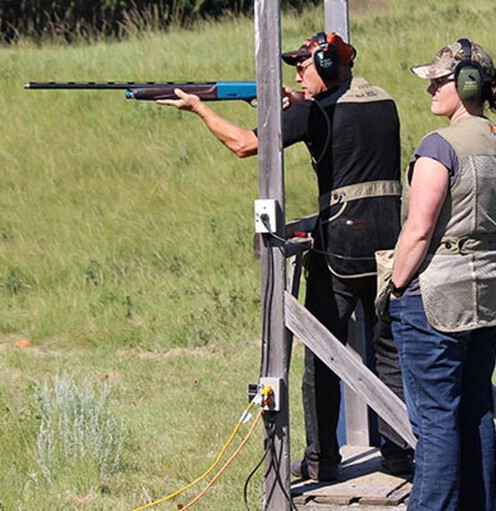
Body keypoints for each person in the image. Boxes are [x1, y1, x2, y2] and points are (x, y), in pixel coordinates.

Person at [157, 32, 413, 481]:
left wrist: (200, 109)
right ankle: (398, 455)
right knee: (389, 353)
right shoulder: (383, 101)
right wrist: (299, 101)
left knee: (322, 358)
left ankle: (322, 462)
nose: (296, 73)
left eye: (304, 66)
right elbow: (344, 128)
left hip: (338, 250)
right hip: (390, 247)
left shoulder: (314, 112)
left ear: (329, 66)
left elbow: (242, 144)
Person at [382, 39, 496, 510]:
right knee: (476, 409)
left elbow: (418, 232)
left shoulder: (437, 147)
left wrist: (396, 285)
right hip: (494, 289)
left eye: (438, 81)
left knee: (436, 419)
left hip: (437, 294)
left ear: (465, 84)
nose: (430, 90)